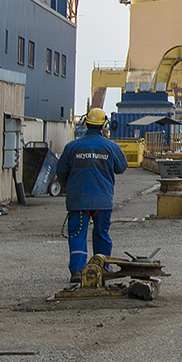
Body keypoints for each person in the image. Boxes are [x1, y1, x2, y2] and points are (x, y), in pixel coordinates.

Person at [55, 108, 127, 282]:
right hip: (102, 200)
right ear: (104, 125)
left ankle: (77, 272)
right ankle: (101, 269)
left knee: (77, 234)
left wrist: (71, 186)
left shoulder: (72, 147)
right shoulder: (111, 147)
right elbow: (121, 167)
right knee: (101, 234)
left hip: (78, 200)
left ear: (86, 123)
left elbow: (61, 171)